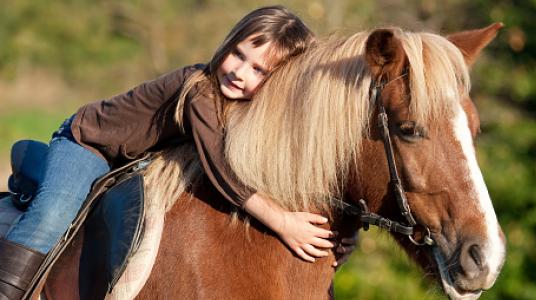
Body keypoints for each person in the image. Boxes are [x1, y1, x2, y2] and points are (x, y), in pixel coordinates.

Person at [0, 6, 348, 299]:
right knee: (54, 212)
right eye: (238, 55)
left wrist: (336, 243)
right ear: (227, 44)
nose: (239, 72)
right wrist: (282, 221)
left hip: (132, 160)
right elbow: (221, 166)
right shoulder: (199, 89)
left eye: (259, 69)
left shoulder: (250, 110)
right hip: (89, 145)